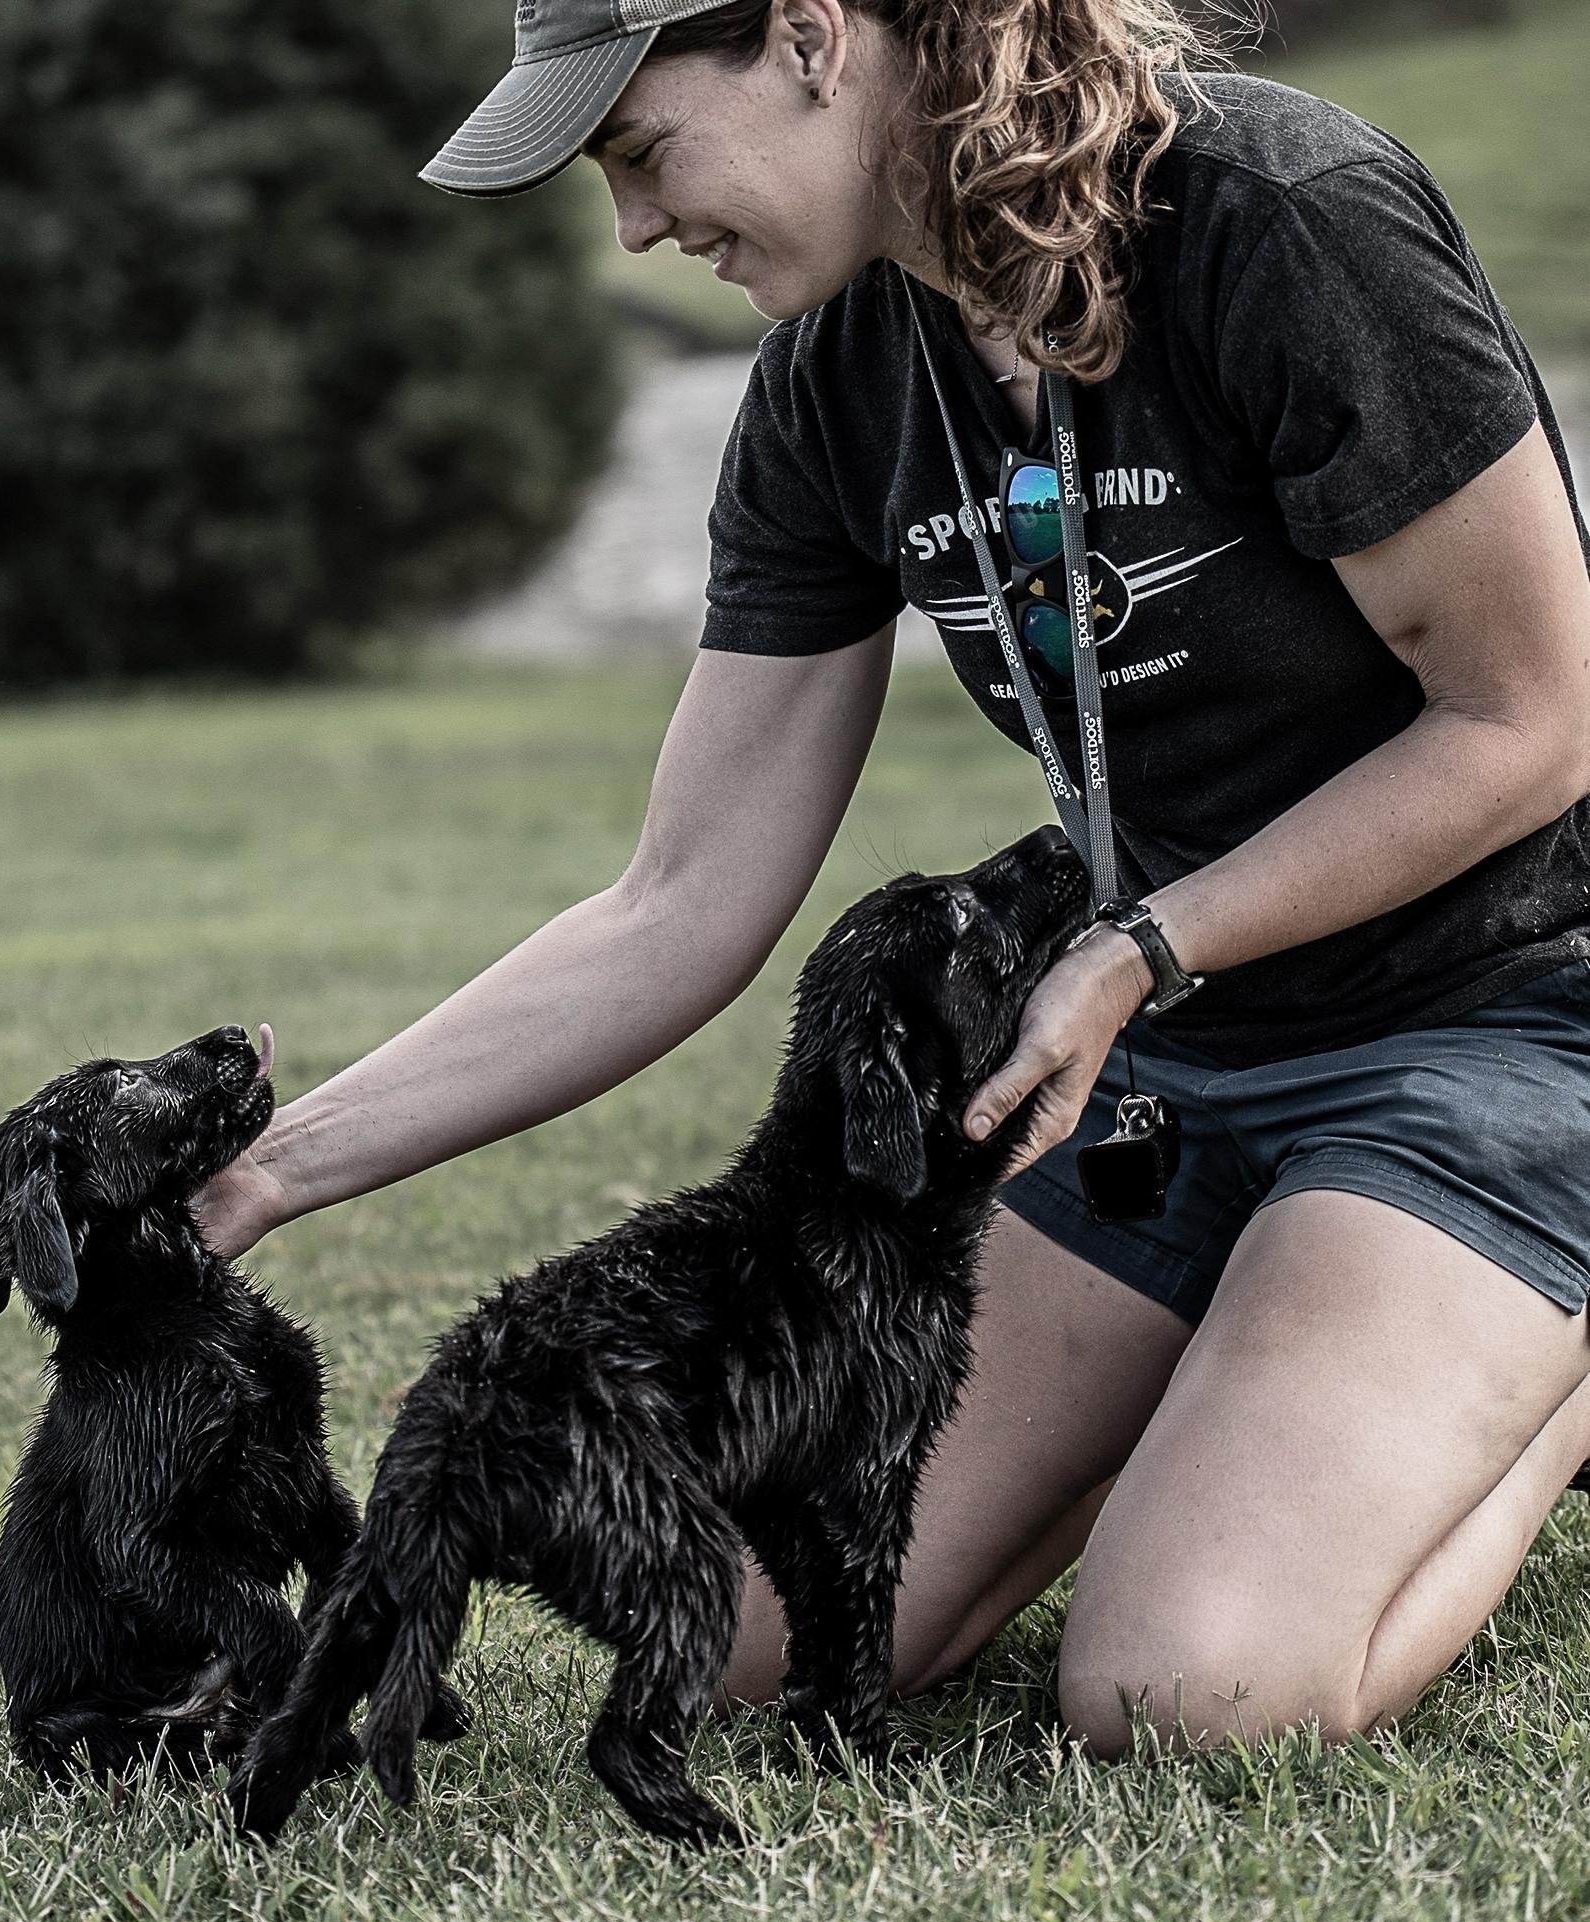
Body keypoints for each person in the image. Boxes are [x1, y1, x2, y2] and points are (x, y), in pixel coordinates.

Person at [193, 0, 1590, 1754]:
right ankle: (1276, 1349)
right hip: (1151, 1069)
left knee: (1190, 1698)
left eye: (639, 151)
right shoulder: (839, 377)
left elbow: (1530, 722)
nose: (636, 229)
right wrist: (269, 1175)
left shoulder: (1277, 217)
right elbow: (677, 900)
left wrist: (1146, 944)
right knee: (743, 1637)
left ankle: (1541, 1371)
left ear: (805, 36)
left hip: (1506, 1022)